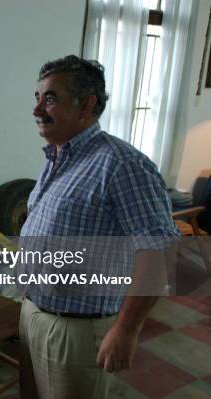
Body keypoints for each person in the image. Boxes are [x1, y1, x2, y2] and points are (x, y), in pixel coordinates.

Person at [18, 55, 180, 399]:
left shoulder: (122, 165)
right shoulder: (59, 157)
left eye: (50, 98)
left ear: (86, 105)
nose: (37, 109)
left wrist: (125, 330)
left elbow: (158, 251)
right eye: (37, 98)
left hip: (74, 329)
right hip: (33, 312)